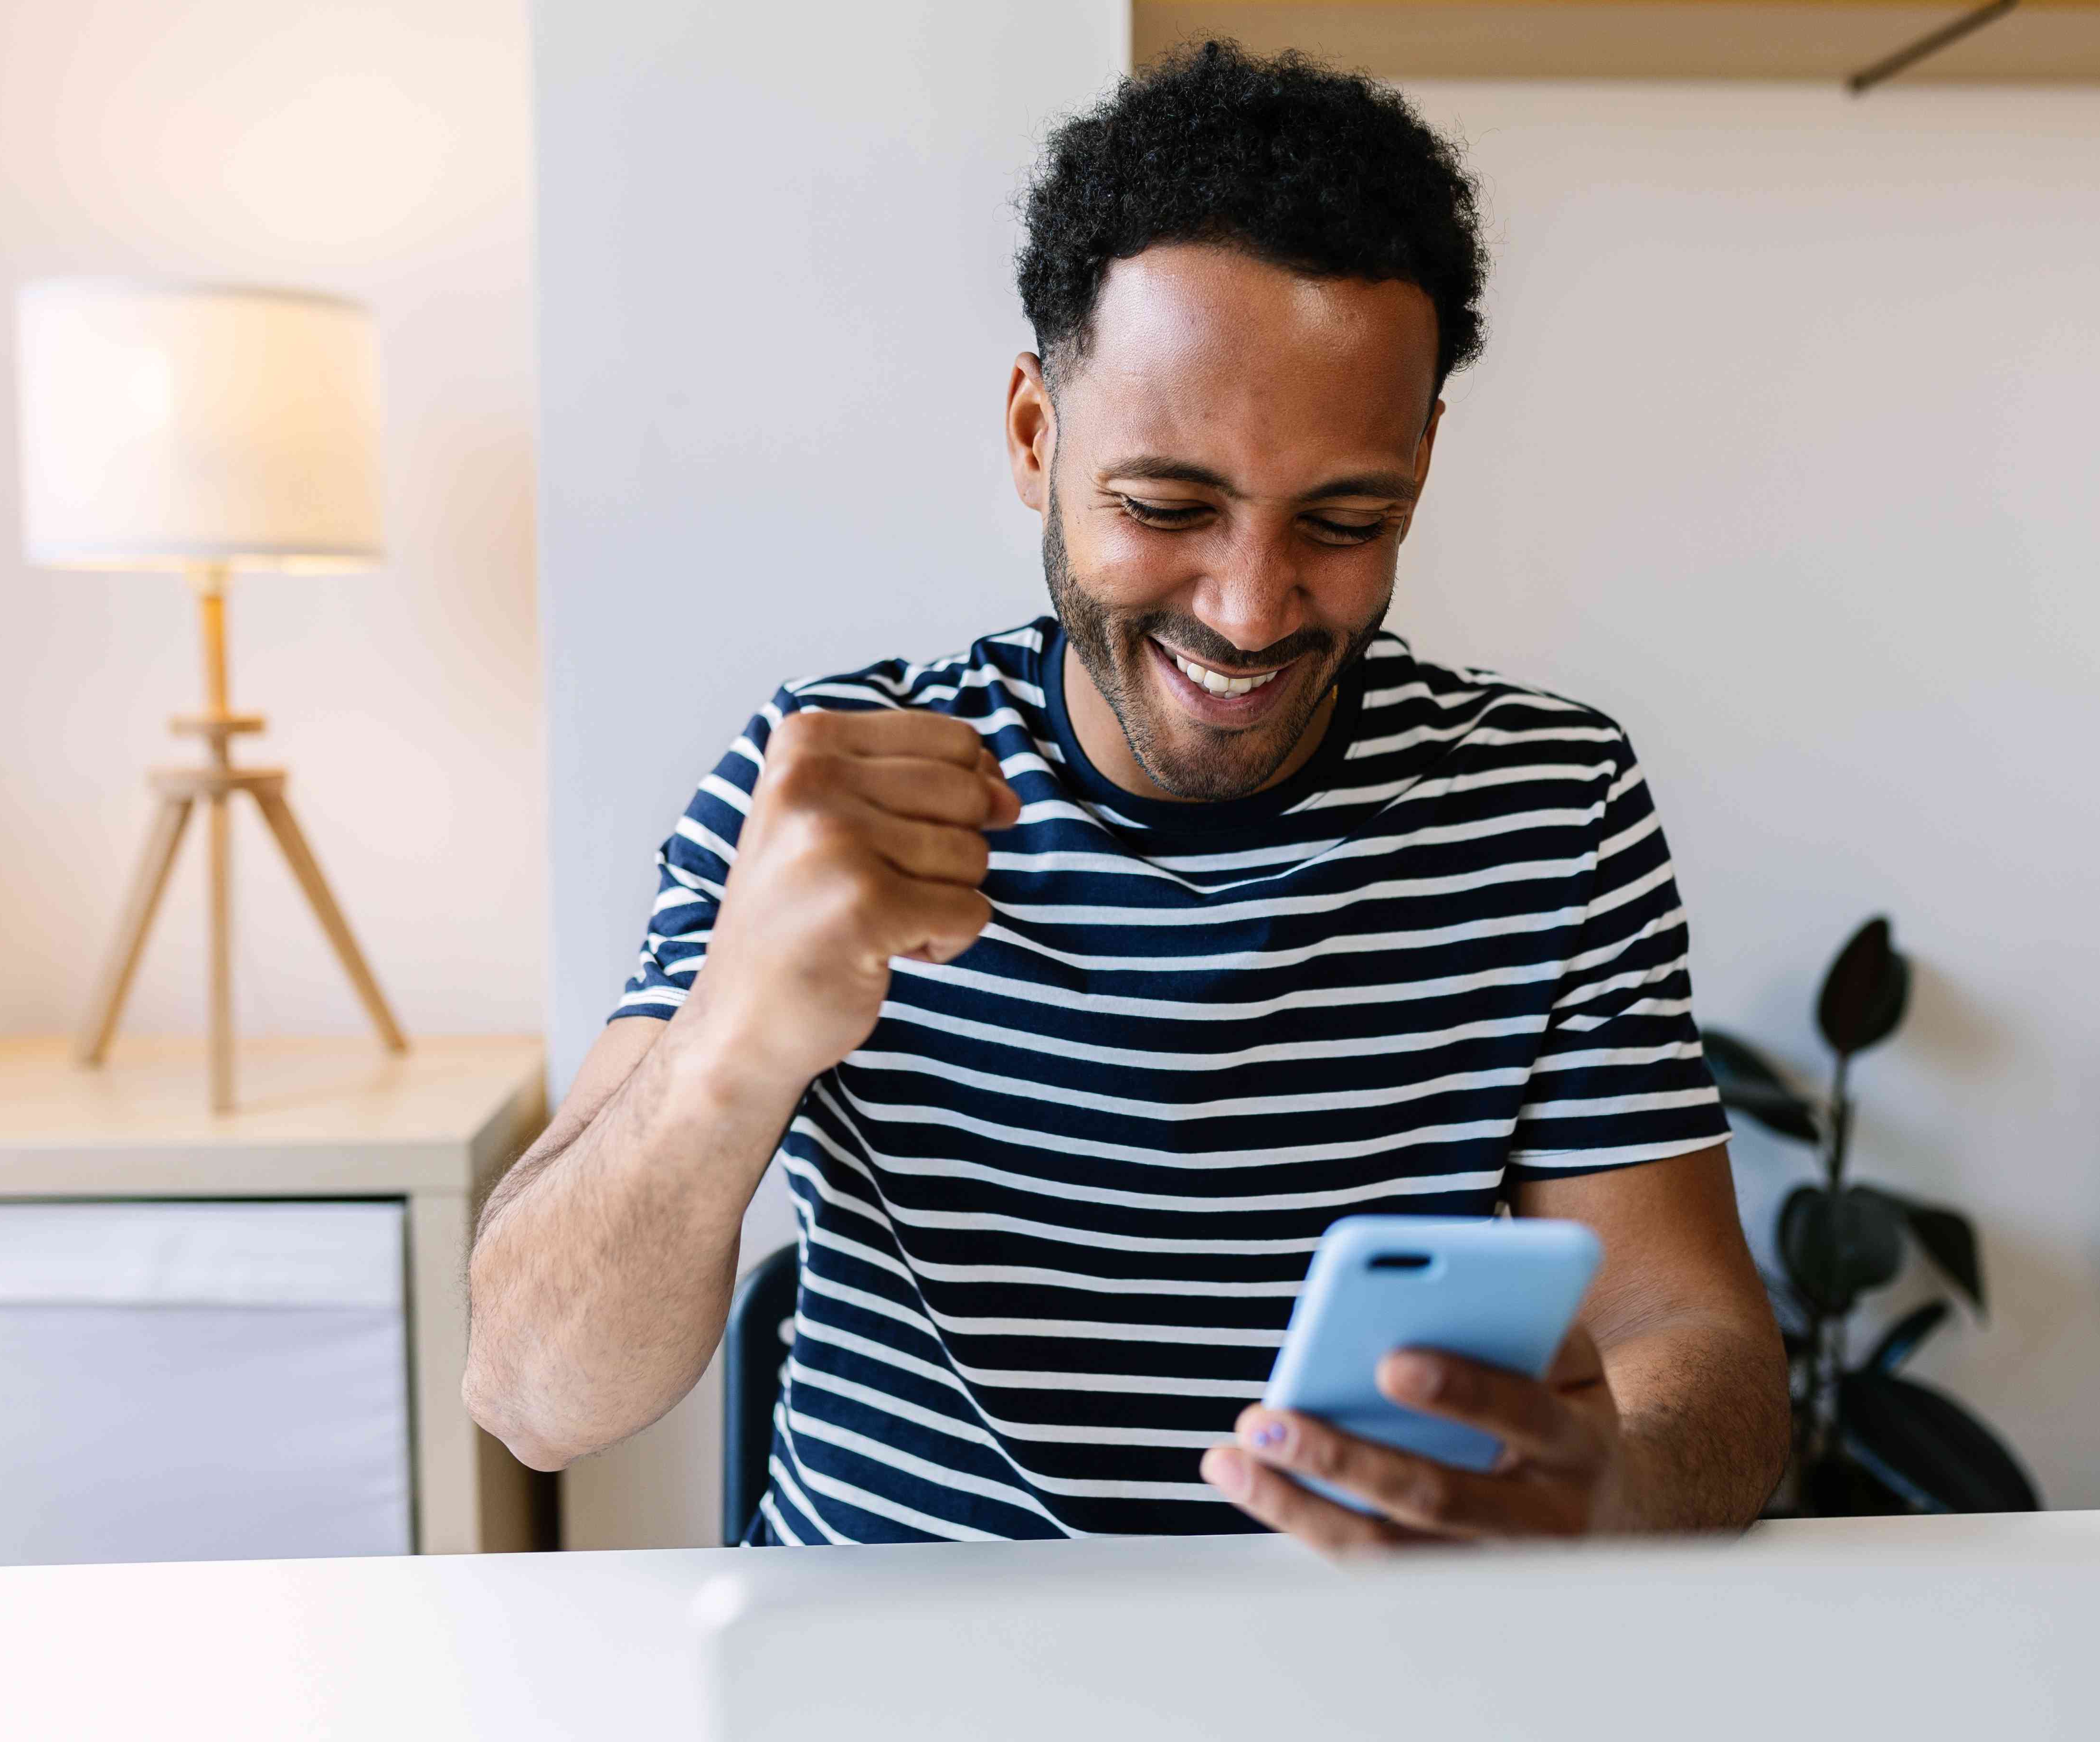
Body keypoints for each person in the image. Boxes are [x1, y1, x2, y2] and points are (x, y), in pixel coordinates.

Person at [465, 41, 1787, 1553]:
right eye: (1166, 506)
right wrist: (730, 1042)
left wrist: (1620, 1476)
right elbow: (532, 1396)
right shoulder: (825, 786)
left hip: (1349, 1675)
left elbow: (1703, 1346)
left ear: (1424, 459)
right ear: (1037, 435)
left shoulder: (1547, 808)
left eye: (1347, 520)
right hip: (892, 1671)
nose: (1249, 606)